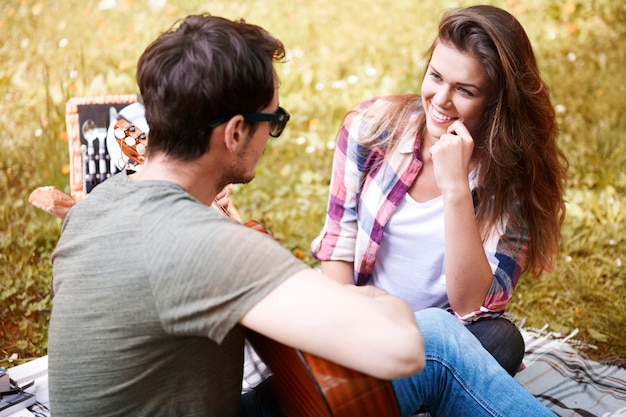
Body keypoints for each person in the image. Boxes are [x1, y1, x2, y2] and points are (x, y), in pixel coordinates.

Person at [47, 13, 556, 417]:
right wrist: (376, 299)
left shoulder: (95, 208)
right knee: (440, 341)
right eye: (276, 120)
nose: (273, 135)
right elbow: (403, 349)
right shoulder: (211, 249)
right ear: (235, 132)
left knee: (490, 339)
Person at [312, 4, 568, 377]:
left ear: (496, 103)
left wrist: (456, 188)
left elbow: (472, 307)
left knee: (502, 341)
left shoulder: (514, 182)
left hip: (437, 345)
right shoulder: (370, 128)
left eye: (465, 90)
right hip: (362, 319)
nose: (441, 99)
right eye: (436, 76)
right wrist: (350, 327)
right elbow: (338, 242)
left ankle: (395, 390)